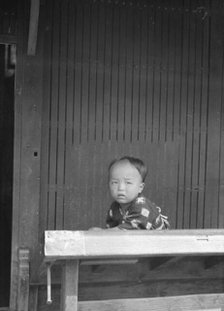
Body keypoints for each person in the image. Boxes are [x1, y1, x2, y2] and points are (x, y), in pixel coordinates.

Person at [106, 156, 170, 230]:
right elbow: (111, 228)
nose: (121, 188)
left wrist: (102, 233)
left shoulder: (141, 206)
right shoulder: (115, 207)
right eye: (115, 182)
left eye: (128, 183)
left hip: (160, 240)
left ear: (140, 187)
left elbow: (131, 230)